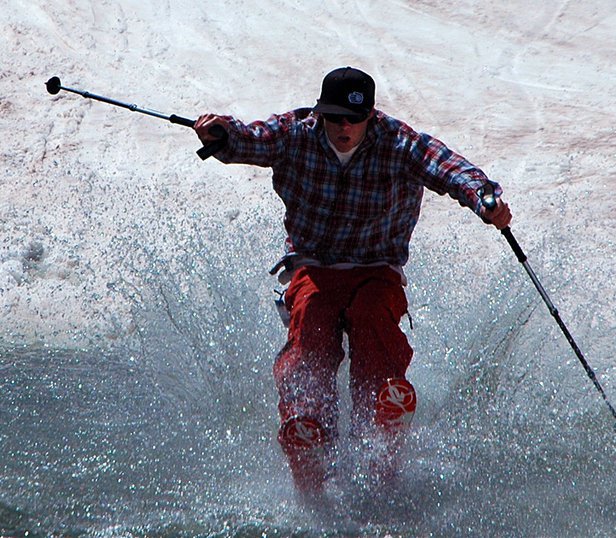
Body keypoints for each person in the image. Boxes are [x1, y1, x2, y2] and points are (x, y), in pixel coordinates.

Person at [194, 66, 511, 499]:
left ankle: (383, 415)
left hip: (376, 267)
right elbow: (251, 138)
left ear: (370, 117)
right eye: (335, 117)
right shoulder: (296, 133)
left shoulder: (399, 143)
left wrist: (484, 198)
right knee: (310, 323)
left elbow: (449, 167)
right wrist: (220, 133)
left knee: (371, 317)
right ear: (321, 113)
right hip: (312, 266)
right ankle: (307, 426)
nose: (344, 127)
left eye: (354, 119)